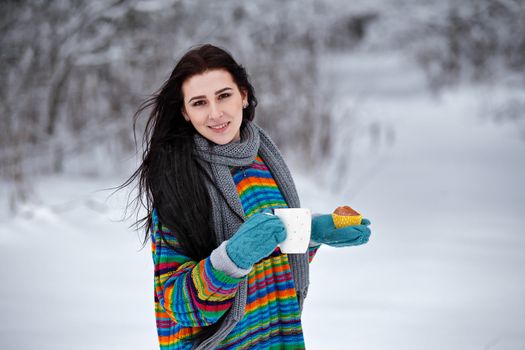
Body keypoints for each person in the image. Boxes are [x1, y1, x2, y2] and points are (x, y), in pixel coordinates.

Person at [125, 44, 372, 349]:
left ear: (243, 94)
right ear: (185, 113)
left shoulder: (263, 160)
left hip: (276, 336)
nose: (215, 113)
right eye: (199, 102)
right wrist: (230, 260)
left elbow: (269, 249)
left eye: (224, 95)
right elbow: (175, 303)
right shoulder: (179, 180)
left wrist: (312, 232)